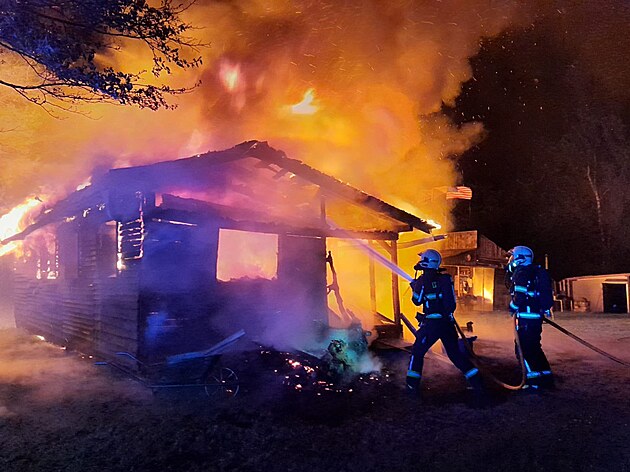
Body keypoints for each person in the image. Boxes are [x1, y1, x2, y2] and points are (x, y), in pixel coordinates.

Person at [406, 249, 483, 398]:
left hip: (431, 325)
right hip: (447, 324)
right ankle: (477, 382)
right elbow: (451, 304)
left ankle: (411, 386)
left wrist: (414, 287)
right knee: (455, 354)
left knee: (417, 352)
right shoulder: (445, 279)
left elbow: (417, 300)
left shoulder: (422, 280)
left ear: (425, 262)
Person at [506, 245, 554, 389]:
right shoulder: (535, 272)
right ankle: (546, 377)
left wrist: (512, 308)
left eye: (512, 257)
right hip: (535, 317)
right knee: (535, 348)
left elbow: (519, 297)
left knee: (523, 350)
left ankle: (532, 382)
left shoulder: (521, 273)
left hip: (526, 318)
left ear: (519, 258)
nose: (510, 260)